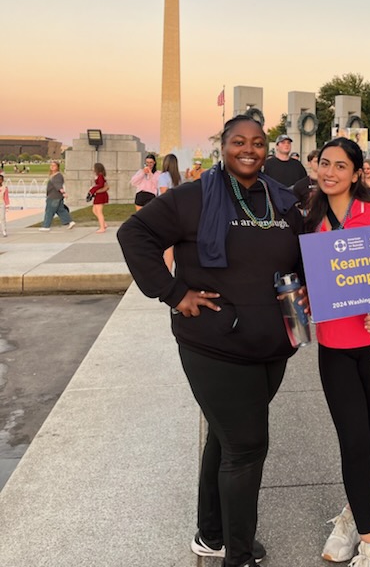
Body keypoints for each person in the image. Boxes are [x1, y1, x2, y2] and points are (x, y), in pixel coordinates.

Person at [117, 115, 304, 567]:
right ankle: (237, 557)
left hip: (273, 343)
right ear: (223, 146)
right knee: (246, 446)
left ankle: (212, 533)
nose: (249, 149)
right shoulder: (194, 196)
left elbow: (301, 255)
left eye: (258, 143)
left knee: (225, 440)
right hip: (215, 345)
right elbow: (134, 233)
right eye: (238, 141)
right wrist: (174, 292)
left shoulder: (281, 200)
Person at [304, 138, 370, 567]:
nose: (330, 172)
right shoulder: (309, 221)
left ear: (357, 172)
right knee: (352, 439)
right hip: (336, 348)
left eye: (340, 165)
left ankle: (352, 517)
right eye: (324, 164)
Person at [158, 153, 182, 270]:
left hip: (166, 212)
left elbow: (164, 194)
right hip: (178, 212)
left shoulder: (163, 176)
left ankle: (167, 271)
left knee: (167, 246)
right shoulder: (179, 178)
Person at [40, 160, 76, 231]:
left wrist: (63, 193)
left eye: (54, 166)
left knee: (49, 210)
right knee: (60, 210)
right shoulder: (54, 175)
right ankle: (70, 222)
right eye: (51, 165)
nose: (52, 167)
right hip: (56, 196)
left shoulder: (57, 176)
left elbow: (58, 186)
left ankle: (46, 226)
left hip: (54, 197)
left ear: (57, 167)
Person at [292, 148, 319, 213]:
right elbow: (293, 207)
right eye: (316, 161)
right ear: (309, 164)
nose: (319, 164)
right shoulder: (300, 185)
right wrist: (304, 213)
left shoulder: (329, 183)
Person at [88, 163, 109, 233]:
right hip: (99, 195)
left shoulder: (100, 176)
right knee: (94, 210)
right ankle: (103, 223)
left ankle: (102, 227)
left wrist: (93, 189)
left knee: (99, 211)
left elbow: (101, 185)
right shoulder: (100, 176)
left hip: (101, 195)